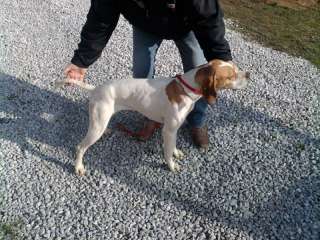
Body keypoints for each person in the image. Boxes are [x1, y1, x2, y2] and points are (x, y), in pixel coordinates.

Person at [64, 0, 233, 149]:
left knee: (199, 71)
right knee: (141, 72)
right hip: (145, 24)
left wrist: (222, 57)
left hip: (187, 24)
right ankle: (151, 116)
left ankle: (197, 121)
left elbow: (209, 17)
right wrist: (81, 61)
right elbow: (100, 19)